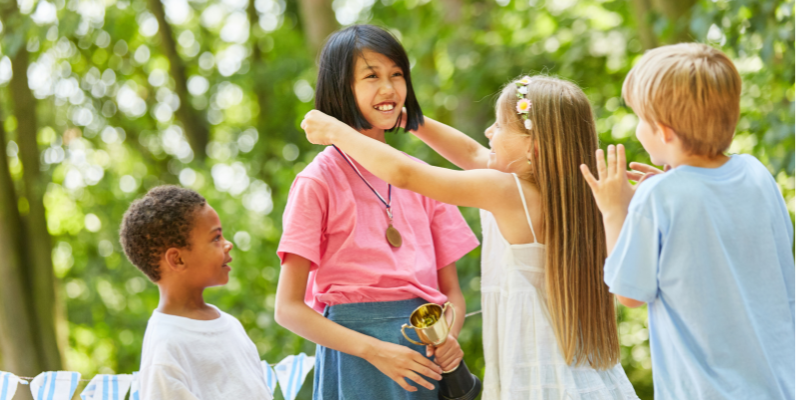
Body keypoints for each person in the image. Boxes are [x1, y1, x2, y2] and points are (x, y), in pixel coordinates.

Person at [301, 75, 639, 400]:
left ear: (532, 147)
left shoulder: (508, 191)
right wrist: (410, 119)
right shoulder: (572, 197)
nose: (489, 132)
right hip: (585, 376)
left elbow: (405, 174)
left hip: (540, 381)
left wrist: (336, 131)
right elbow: (474, 155)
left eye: (500, 125)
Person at [274, 25, 479, 400]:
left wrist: (449, 334)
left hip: (424, 362)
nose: (389, 88)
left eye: (397, 74)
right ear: (341, 87)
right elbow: (287, 310)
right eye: (372, 76)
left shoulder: (423, 177)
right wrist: (376, 351)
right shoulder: (316, 181)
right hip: (356, 360)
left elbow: (451, 294)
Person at [580, 43, 794, 399]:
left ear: (663, 131)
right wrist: (659, 194)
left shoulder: (658, 196)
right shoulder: (757, 173)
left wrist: (614, 211)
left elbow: (629, 294)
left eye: (639, 119)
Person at [119, 185, 272, 400]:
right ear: (178, 259)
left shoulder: (231, 325)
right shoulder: (166, 347)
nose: (228, 244)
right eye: (216, 238)